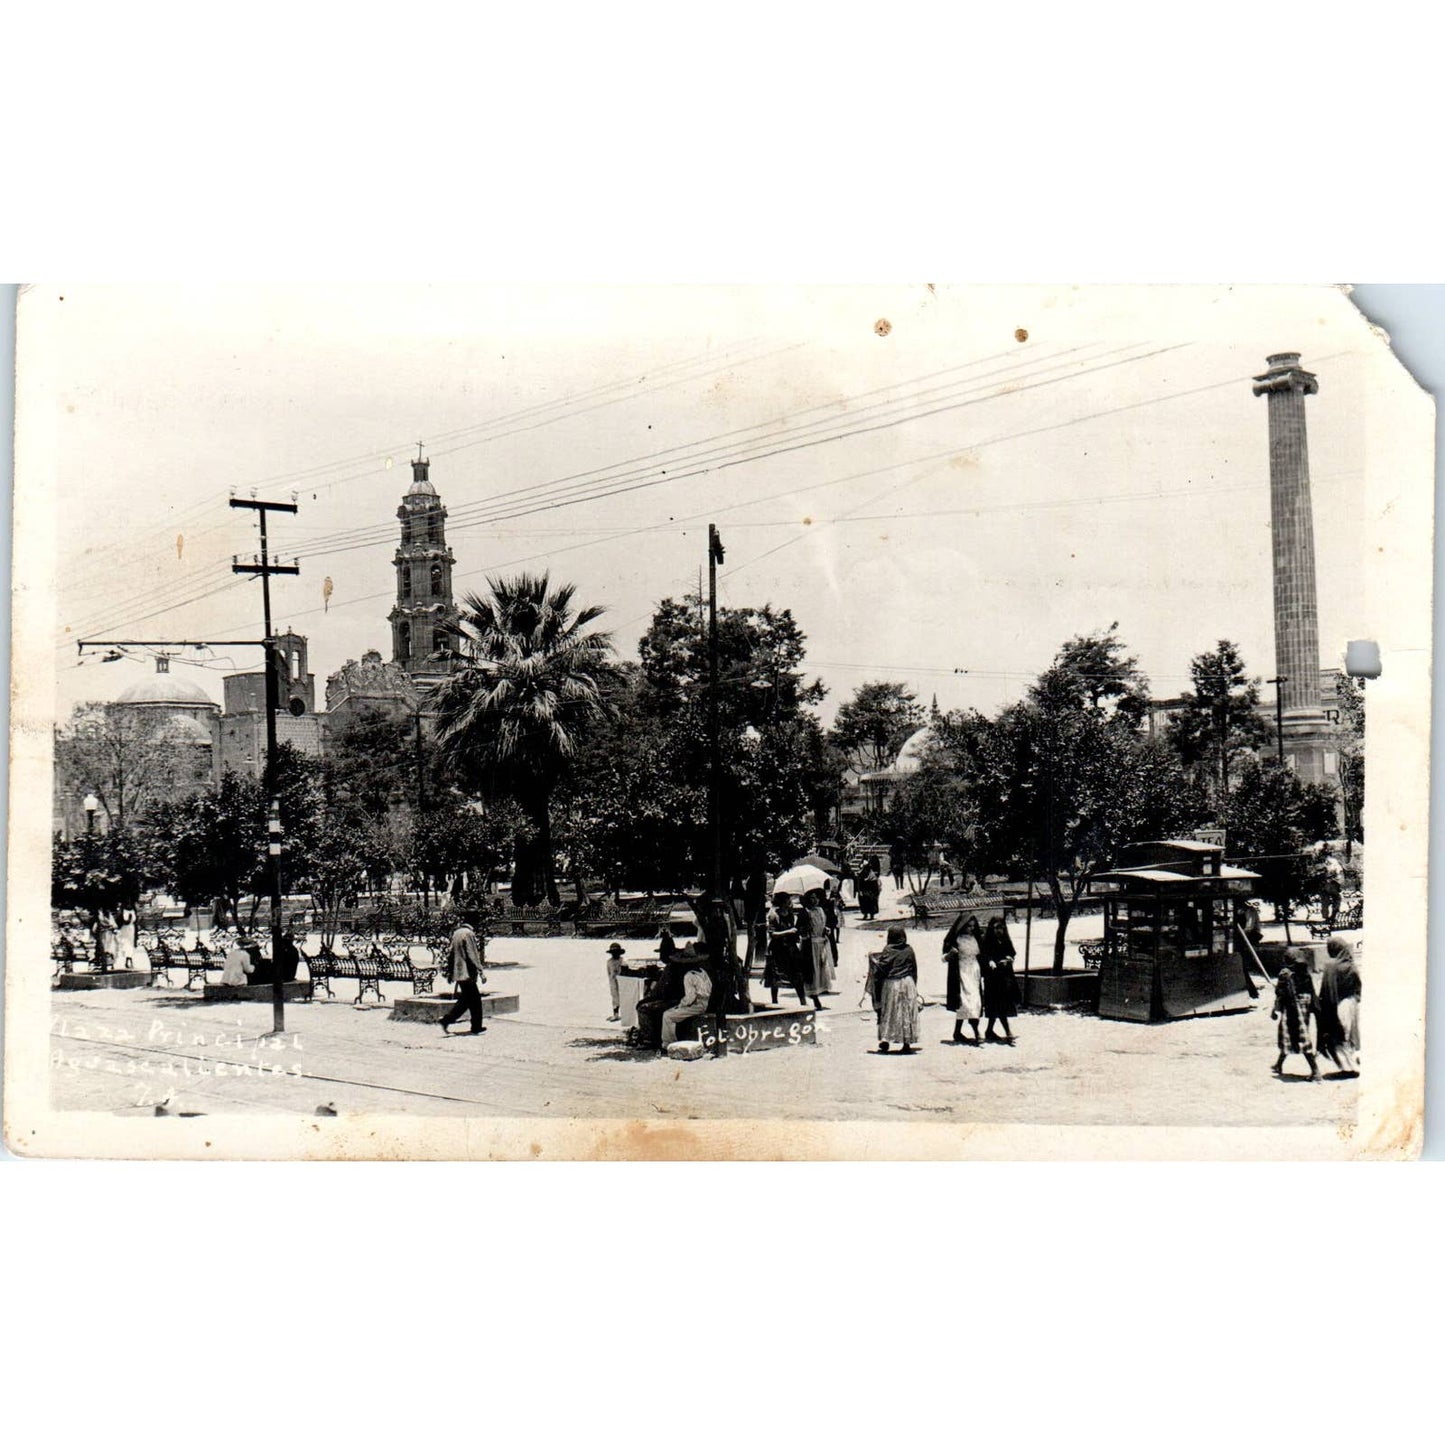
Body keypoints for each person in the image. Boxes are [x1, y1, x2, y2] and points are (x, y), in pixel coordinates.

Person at [866, 924, 920, 1053]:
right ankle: (906, 1043)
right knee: (906, 1012)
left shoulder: (888, 950)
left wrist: (873, 961)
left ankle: (886, 1040)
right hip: (908, 983)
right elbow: (914, 969)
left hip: (892, 985)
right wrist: (914, 986)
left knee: (890, 1012)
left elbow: (882, 968)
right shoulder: (909, 949)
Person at [1271, 948, 1320, 1080]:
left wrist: (1274, 1010)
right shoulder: (1305, 972)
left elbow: (1280, 994)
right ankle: (1278, 1064)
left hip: (1291, 1009)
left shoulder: (1285, 974)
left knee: (1295, 1036)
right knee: (1293, 1035)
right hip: (1304, 1006)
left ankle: (1315, 1071)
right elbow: (1312, 992)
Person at [1316, 936, 1361, 1075]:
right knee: (1350, 1033)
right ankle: (1354, 1063)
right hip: (1351, 1003)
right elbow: (1358, 986)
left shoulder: (1331, 966)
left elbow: (1325, 989)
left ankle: (1348, 1068)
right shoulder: (1351, 965)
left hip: (1336, 1004)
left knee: (1337, 1035)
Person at [439, 909, 487, 1036]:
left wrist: (450, 972)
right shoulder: (469, 934)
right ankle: (474, 1026)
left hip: (458, 972)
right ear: (474, 922)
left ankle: (449, 1020)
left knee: (466, 1000)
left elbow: (450, 954)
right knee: (475, 1000)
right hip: (467, 973)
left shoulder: (456, 933)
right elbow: (473, 954)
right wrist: (481, 971)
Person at [943, 912, 984, 1045]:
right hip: (961, 972)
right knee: (967, 1001)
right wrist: (950, 954)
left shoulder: (976, 938)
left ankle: (957, 1032)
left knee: (973, 1001)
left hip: (974, 971)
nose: (971, 929)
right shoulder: (956, 939)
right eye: (968, 926)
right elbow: (943, 958)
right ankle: (977, 1031)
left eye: (973, 926)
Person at [763, 892, 809, 1007]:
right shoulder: (774, 915)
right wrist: (788, 932)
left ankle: (803, 1001)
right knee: (776, 976)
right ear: (782, 902)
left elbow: (793, 929)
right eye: (788, 900)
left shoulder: (790, 914)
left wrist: (798, 932)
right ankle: (774, 1001)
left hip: (791, 948)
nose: (790, 902)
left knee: (798, 975)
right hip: (778, 950)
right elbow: (772, 934)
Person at [980, 916, 1019, 1044]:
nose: (999, 931)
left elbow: (1012, 952)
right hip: (992, 978)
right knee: (999, 1004)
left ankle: (989, 1030)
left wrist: (1009, 958)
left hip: (1005, 976)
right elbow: (984, 955)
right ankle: (1008, 1032)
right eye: (996, 928)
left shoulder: (1005, 939)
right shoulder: (987, 941)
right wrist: (990, 961)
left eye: (1001, 928)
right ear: (992, 928)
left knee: (999, 1005)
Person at [661, 955, 714, 1050]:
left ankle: (670, 1044)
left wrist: (681, 1005)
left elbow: (690, 997)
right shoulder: (702, 972)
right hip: (706, 1002)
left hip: (696, 1005)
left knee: (667, 1016)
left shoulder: (689, 976)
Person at [799, 889, 833, 1008]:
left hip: (821, 942)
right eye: (812, 898)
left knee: (821, 968)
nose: (814, 900)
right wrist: (805, 930)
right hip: (810, 944)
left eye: (816, 898)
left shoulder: (821, 910)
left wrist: (826, 929)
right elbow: (799, 928)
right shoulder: (804, 912)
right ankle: (813, 996)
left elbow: (823, 924)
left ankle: (819, 991)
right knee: (811, 970)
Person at [605, 942, 627, 1021]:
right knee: (615, 997)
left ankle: (625, 1014)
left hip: (622, 981)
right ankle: (616, 1014)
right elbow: (609, 972)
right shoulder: (609, 962)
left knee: (624, 997)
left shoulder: (622, 961)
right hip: (613, 982)